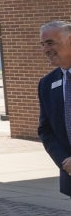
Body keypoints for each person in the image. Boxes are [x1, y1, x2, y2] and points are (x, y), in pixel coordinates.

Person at [37, 21, 71, 198]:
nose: (45, 50)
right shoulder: (47, 84)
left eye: (50, 43)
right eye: (43, 44)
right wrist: (64, 161)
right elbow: (46, 130)